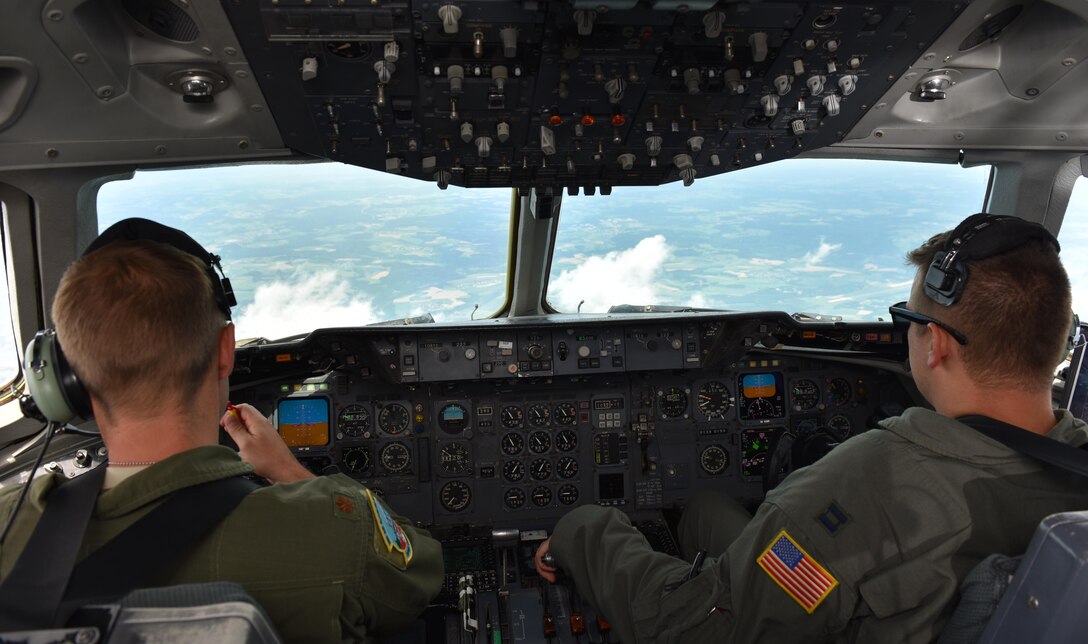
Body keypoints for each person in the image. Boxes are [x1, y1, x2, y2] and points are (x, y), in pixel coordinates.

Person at [535, 213, 1088, 643]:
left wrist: (582, 530)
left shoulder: (870, 484)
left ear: (936, 343)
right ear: (1058, 344)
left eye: (910, 321)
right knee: (704, 509)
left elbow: (696, 631)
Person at [0, 221, 443, 641]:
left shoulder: (8, 526)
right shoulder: (335, 528)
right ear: (225, 351)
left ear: (65, 380)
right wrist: (290, 472)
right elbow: (421, 577)